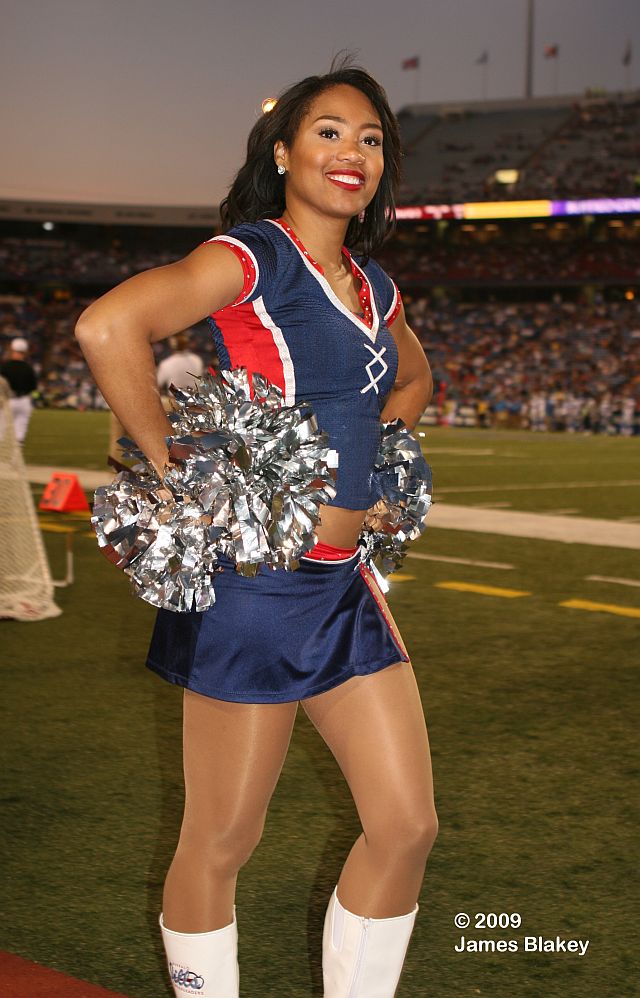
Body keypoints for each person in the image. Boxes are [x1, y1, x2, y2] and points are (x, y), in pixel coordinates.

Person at [76, 58, 437, 998]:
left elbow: (413, 381)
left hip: (344, 587)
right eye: (328, 132)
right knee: (224, 838)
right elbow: (110, 328)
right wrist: (174, 467)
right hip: (256, 590)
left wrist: (378, 465)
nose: (352, 151)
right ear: (283, 151)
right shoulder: (255, 257)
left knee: (406, 826)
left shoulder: (375, 285)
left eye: (370, 139)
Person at [0, 338, 37, 445]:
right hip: (24, 401)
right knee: (19, 434)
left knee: (1, 429)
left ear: (12, 350)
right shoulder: (29, 368)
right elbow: (33, 387)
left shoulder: (5, 367)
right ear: (24, 352)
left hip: (8, 400)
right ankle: (16, 457)